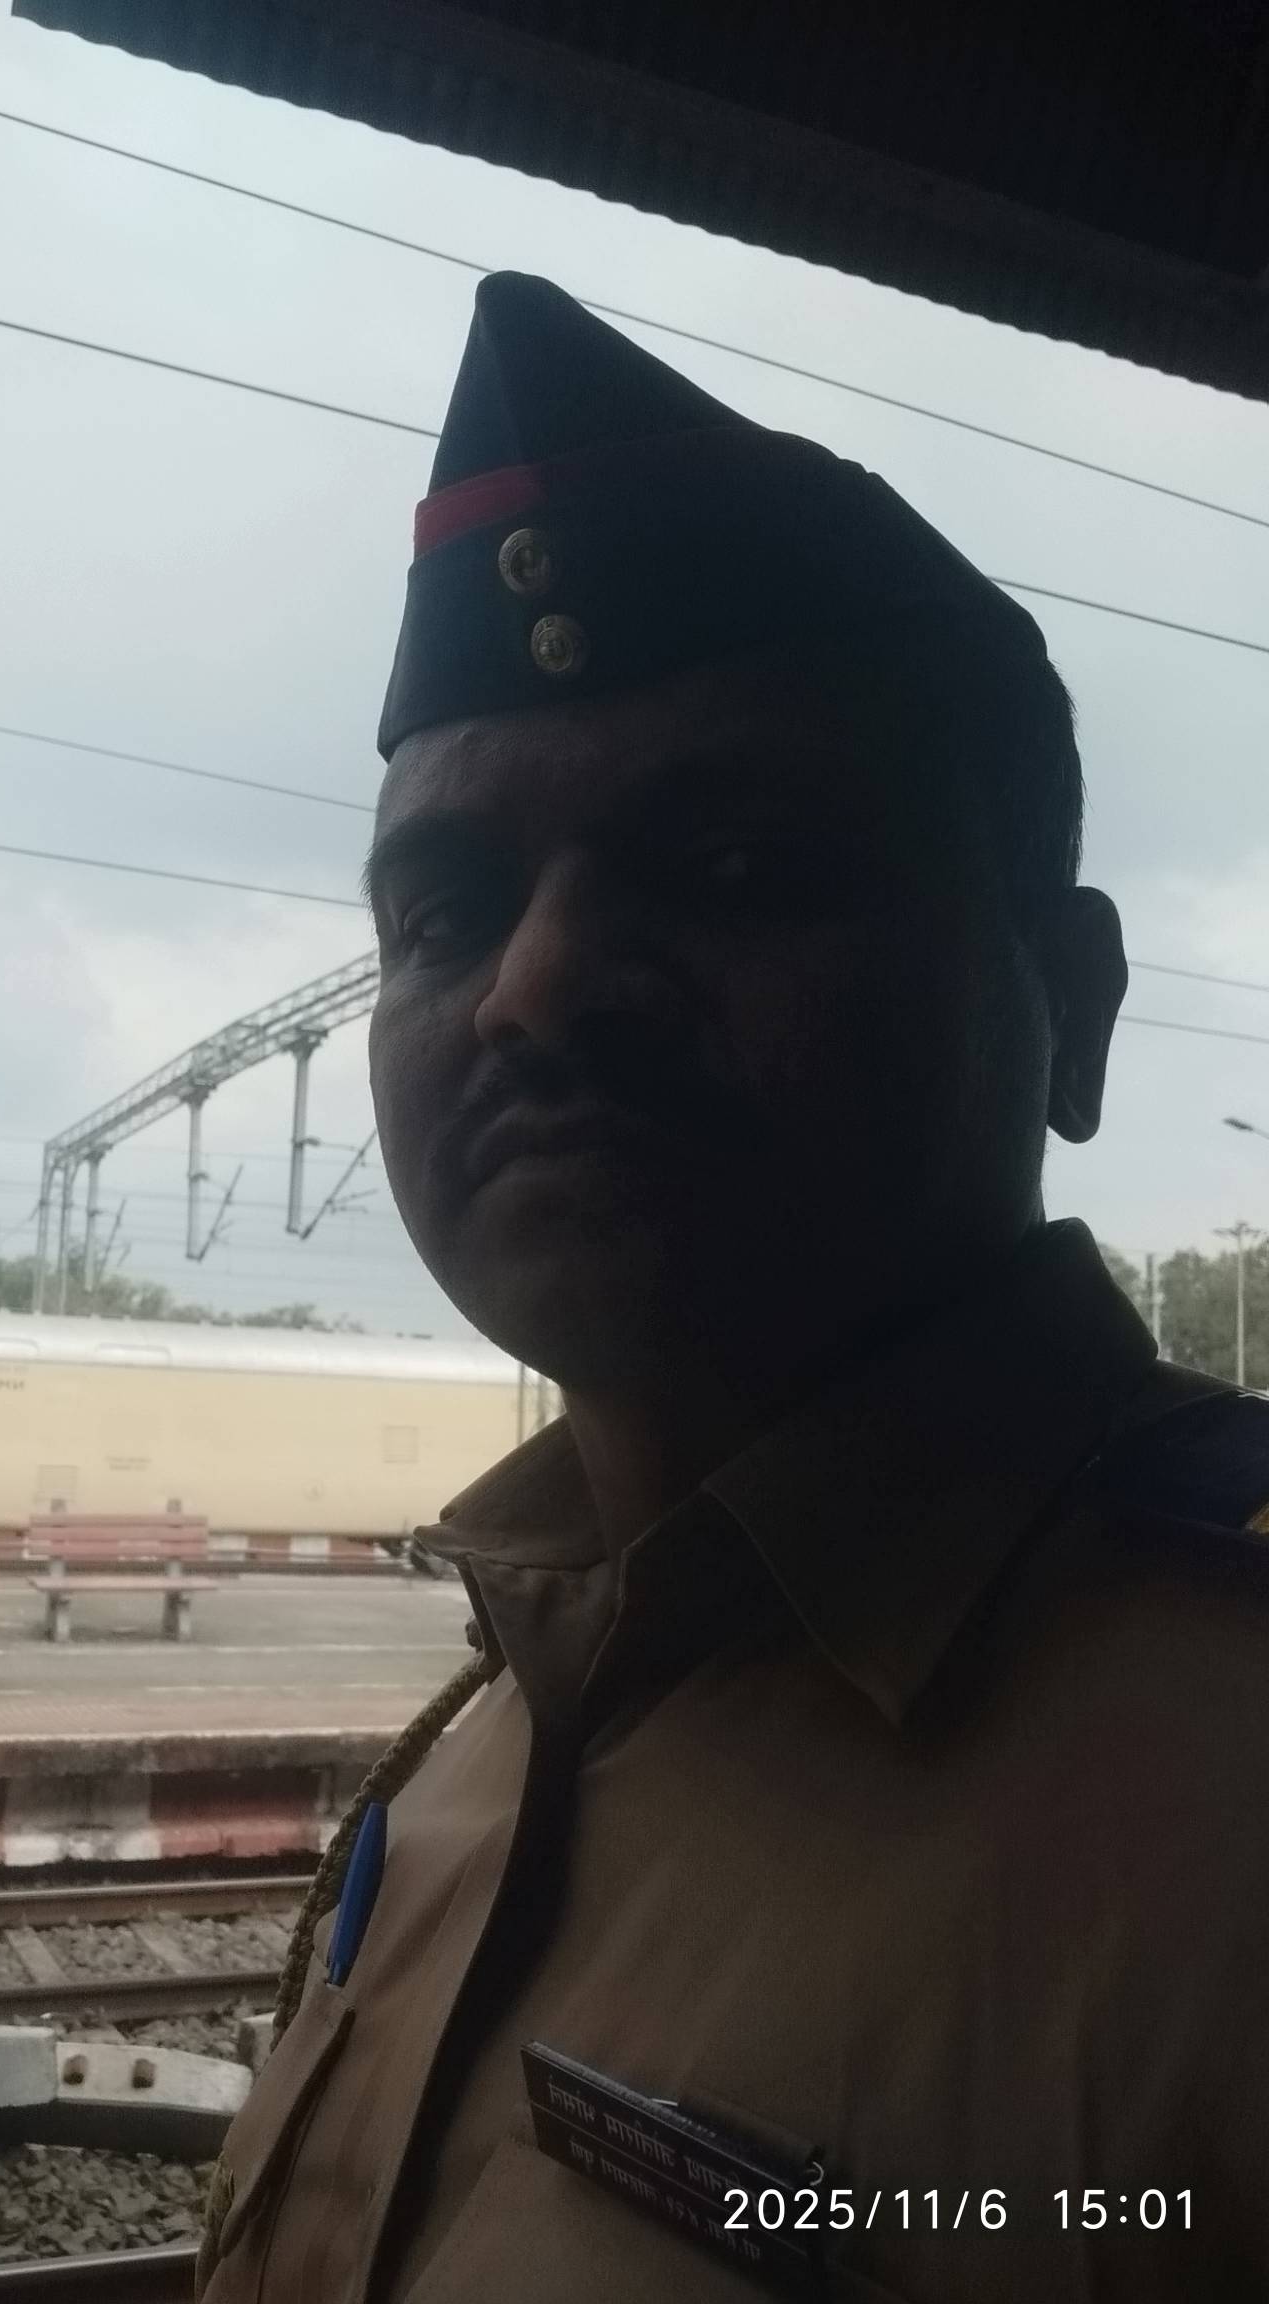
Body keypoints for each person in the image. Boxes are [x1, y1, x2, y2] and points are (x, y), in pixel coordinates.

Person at [195, 274, 1269, 2302]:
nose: (530, 990)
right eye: (446, 908)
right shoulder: (477, 1750)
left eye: (738, 866)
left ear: (1073, 1010)